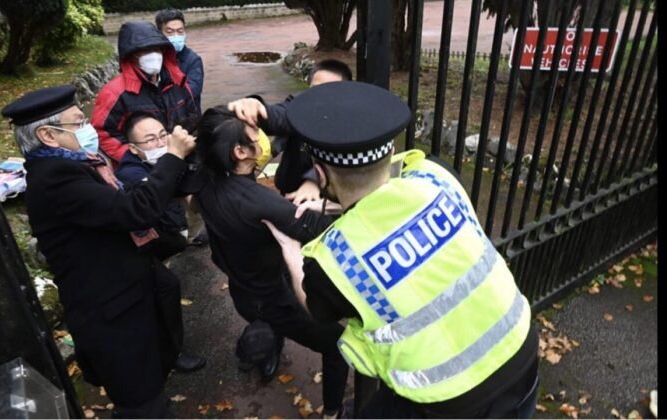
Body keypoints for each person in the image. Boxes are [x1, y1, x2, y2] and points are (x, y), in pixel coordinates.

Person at [263, 81, 540, 418]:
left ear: (320, 173)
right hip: (521, 352)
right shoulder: (436, 176)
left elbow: (315, 308)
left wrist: (289, 246)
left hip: (445, 400)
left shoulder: (335, 260)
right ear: (390, 152)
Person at [1, 85, 199, 418]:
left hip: (129, 290)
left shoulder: (77, 163)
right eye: (78, 122)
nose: (89, 128)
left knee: (151, 377)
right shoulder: (56, 178)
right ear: (48, 135)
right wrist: (172, 156)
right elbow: (135, 211)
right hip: (111, 315)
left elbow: (119, 201)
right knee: (143, 404)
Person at [185, 106, 350, 418]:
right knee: (337, 347)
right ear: (239, 152)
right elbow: (325, 228)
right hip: (275, 298)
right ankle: (332, 412)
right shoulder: (263, 204)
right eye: (254, 136)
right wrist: (333, 203)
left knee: (266, 324)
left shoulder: (203, 180)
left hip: (243, 287)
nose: (262, 139)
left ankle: (268, 343)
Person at [228, 59, 352, 205]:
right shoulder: (300, 105)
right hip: (289, 188)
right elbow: (281, 116)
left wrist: (313, 180)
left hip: (327, 199)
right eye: (315, 90)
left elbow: (347, 160)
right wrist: (256, 108)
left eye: (329, 91)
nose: (320, 97)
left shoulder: (351, 122)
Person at [92, 20, 198, 164]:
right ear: (132, 55)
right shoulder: (114, 92)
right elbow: (102, 133)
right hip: (144, 166)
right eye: (145, 50)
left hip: (183, 158)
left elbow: (193, 117)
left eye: (157, 49)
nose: (153, 55)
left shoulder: (178, 81)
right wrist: (135, 157)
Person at [115, 111, 190, 261]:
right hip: (158, 237)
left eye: (163, 135)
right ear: (133, 148)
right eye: (151, 140)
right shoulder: (130, 175)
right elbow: (161, 193)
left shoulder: (168, 155)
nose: (161, 143)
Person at [155, 8, 204, 111]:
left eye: (180, 31)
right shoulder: (153, 59)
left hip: (188, 119)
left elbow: (191, 91)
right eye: (170, 32)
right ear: (159, 33)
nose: (176, 36)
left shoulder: (193, 60)